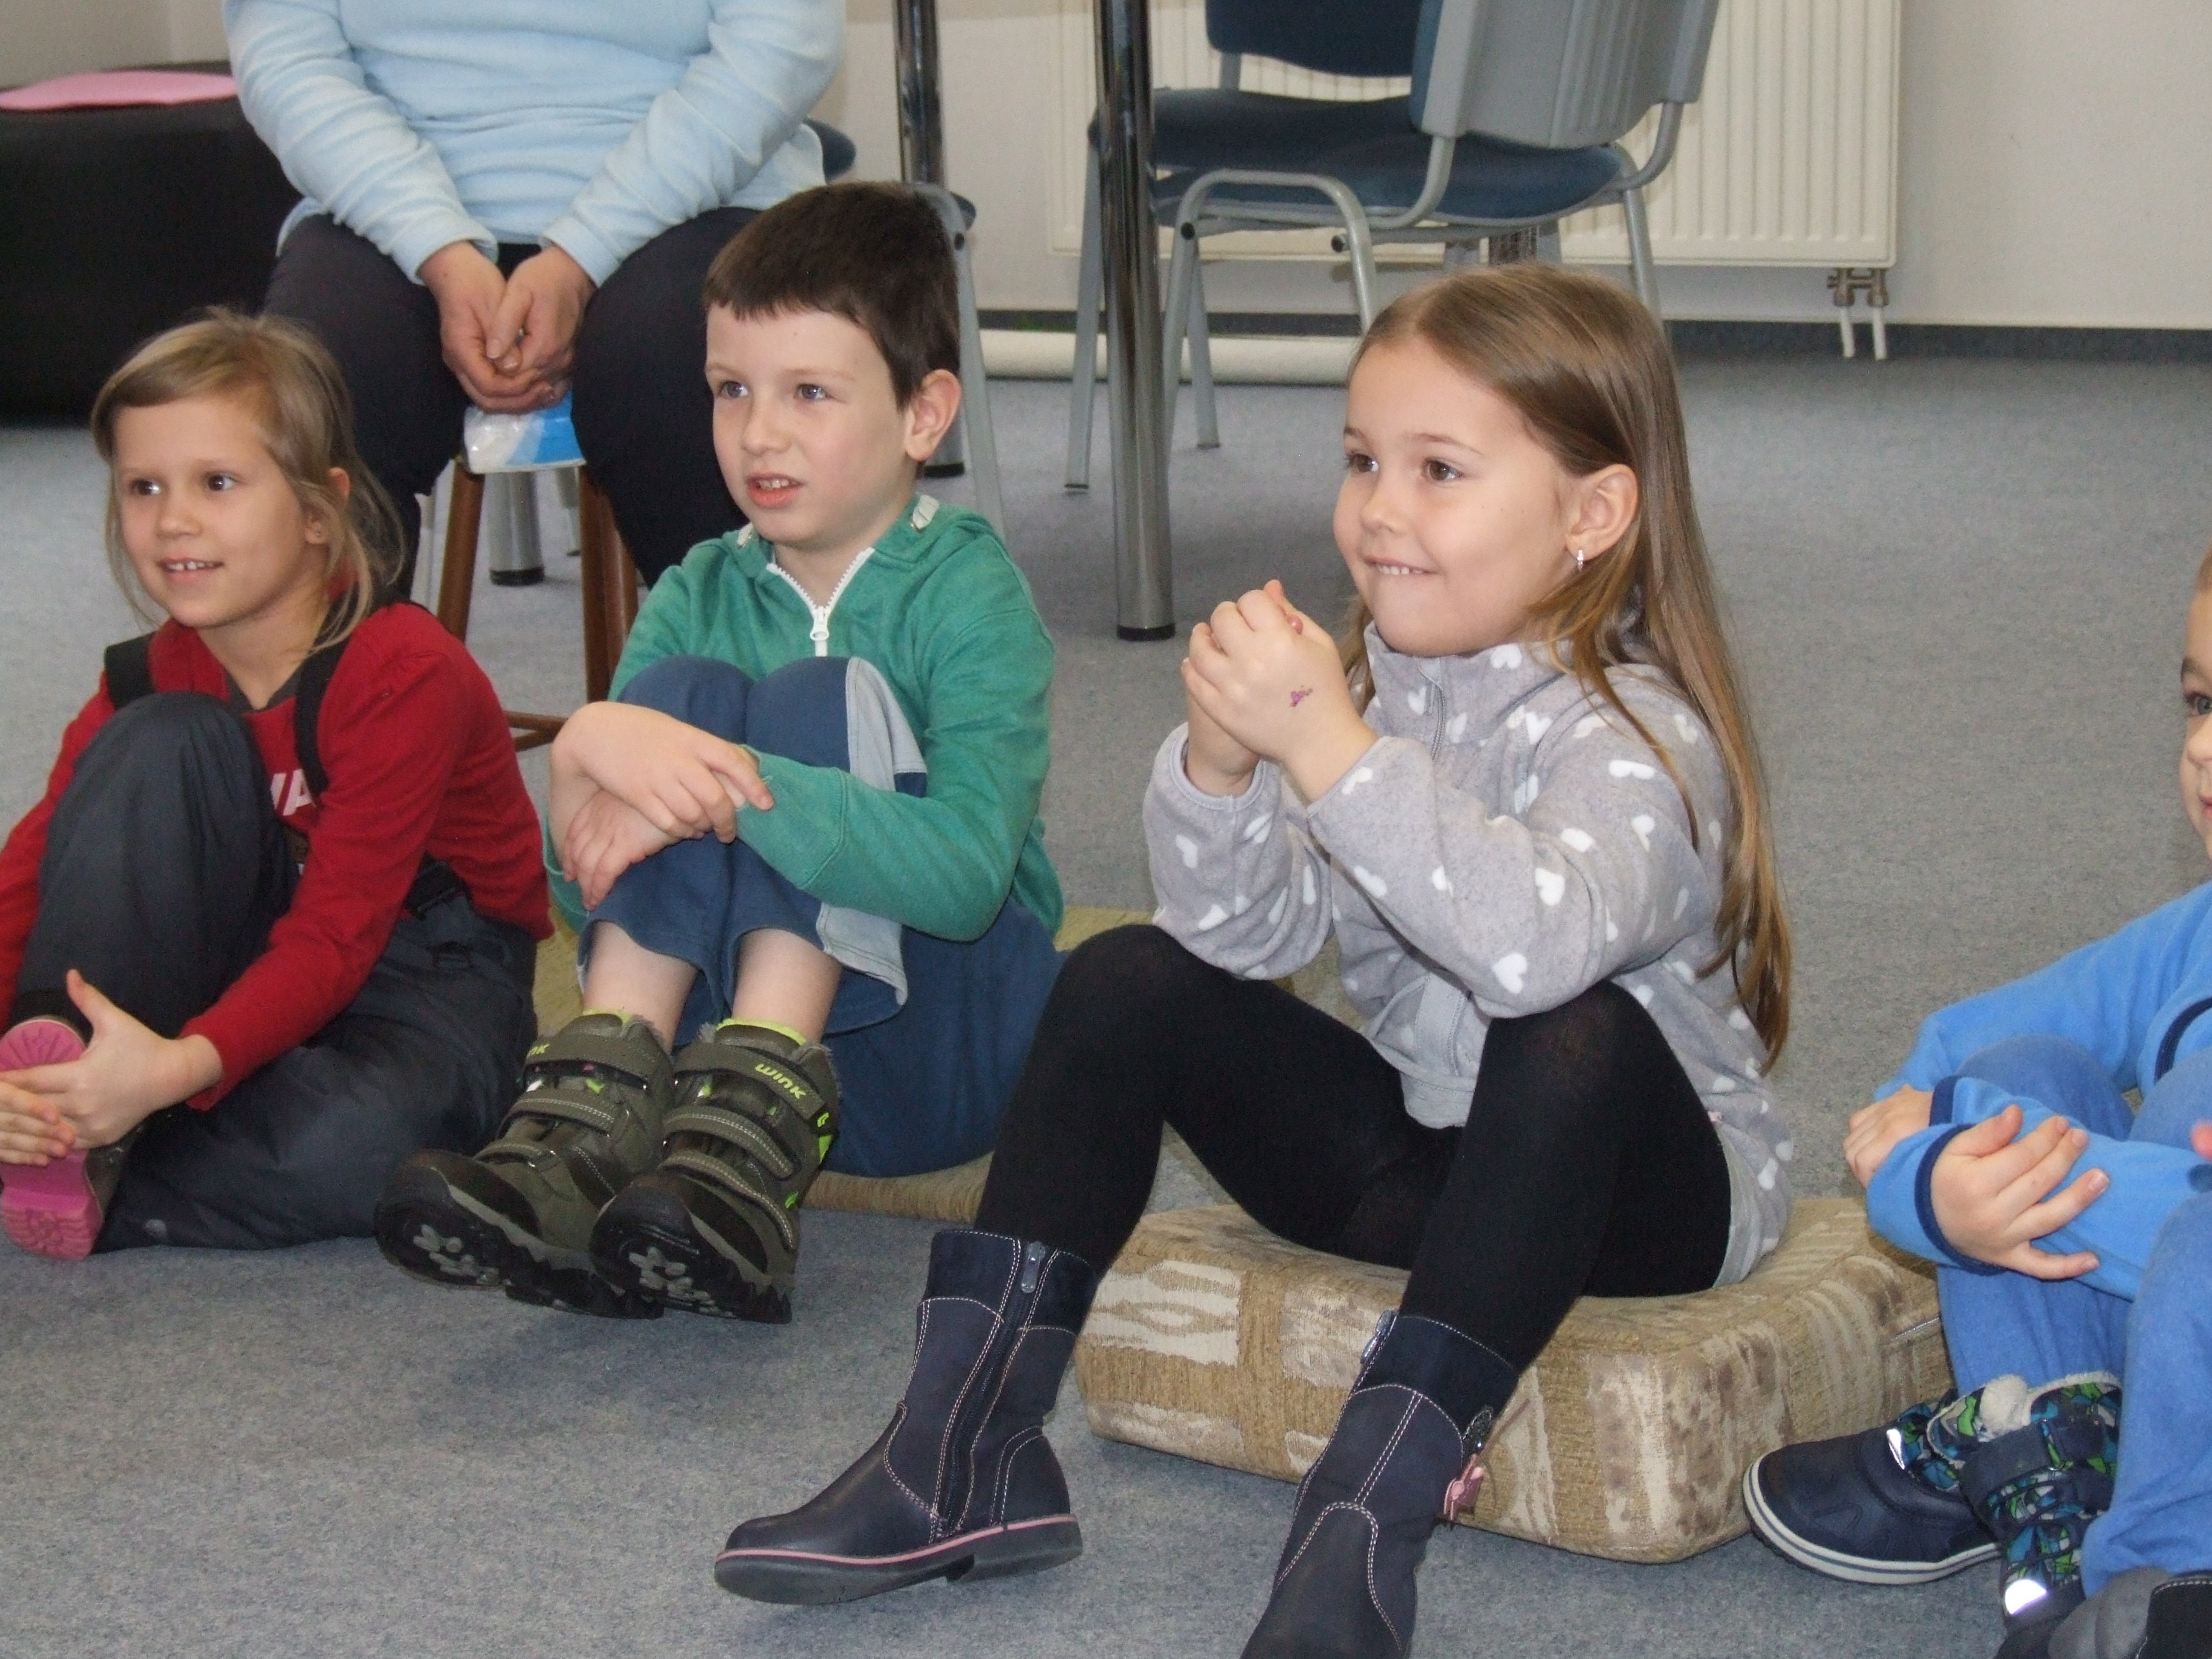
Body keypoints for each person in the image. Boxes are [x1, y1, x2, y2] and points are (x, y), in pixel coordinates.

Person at [713, 263, 1795, 1656]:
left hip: (1639, 1204)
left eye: (1438, 470)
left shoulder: (1639, 740)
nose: (1379, 510)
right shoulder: (1369, 692)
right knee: (1127, 976)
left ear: (1591, 514)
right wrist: (1223, 771)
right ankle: (960, 1448)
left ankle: (1362, 1520)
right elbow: (1244, 941)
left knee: (1567, 1029)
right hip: (1431, 1159)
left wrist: (1333, 753)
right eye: (1361, 461)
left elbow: (1533, 952)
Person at [372, 183, 1063, 1327]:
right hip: (687, 1091)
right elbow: (590, 886)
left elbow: (968, 879)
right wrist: (590, 758)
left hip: (935, 1050)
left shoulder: (971, 594)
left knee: (798, 704)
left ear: (923, 415)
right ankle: (590, 1130)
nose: (758, 433)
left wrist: (725, 782)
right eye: (731, 389)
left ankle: (751, 1139)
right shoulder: (697, 588)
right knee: (672, 702)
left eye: (808, 393)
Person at [0, 312, 549, 1259]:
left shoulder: (402, 669)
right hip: (245, 945)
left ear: (318, 510)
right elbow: (35, 876)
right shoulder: (145, 679)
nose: (173, 519)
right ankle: (63, 1095)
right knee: (159, 741)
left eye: (217, 483)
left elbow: (337, 938)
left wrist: (176, 1068)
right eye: (143, 487)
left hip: (421, 976)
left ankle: (96, 1141)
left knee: (360, 1148)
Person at [1744, 554, 2212, 1659]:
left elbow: (2187, 1225)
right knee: (2031, 1066)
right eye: (2199, 701)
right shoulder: (2192, 934)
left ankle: (2158, 1583)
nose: (2201, 746)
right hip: (2162, 1360)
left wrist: (1982, 1153)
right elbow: (1945, 1060)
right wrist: (1934, 1166)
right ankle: (2048, 1484)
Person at [226, 0, 842, 585]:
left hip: (699, 191)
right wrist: (435, 245)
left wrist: (584, 251)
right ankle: (334, 665)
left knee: (682, 363)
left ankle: (749, 654)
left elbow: (779, 43)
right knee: (316, 384)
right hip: (385, 198)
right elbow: (288, 57)